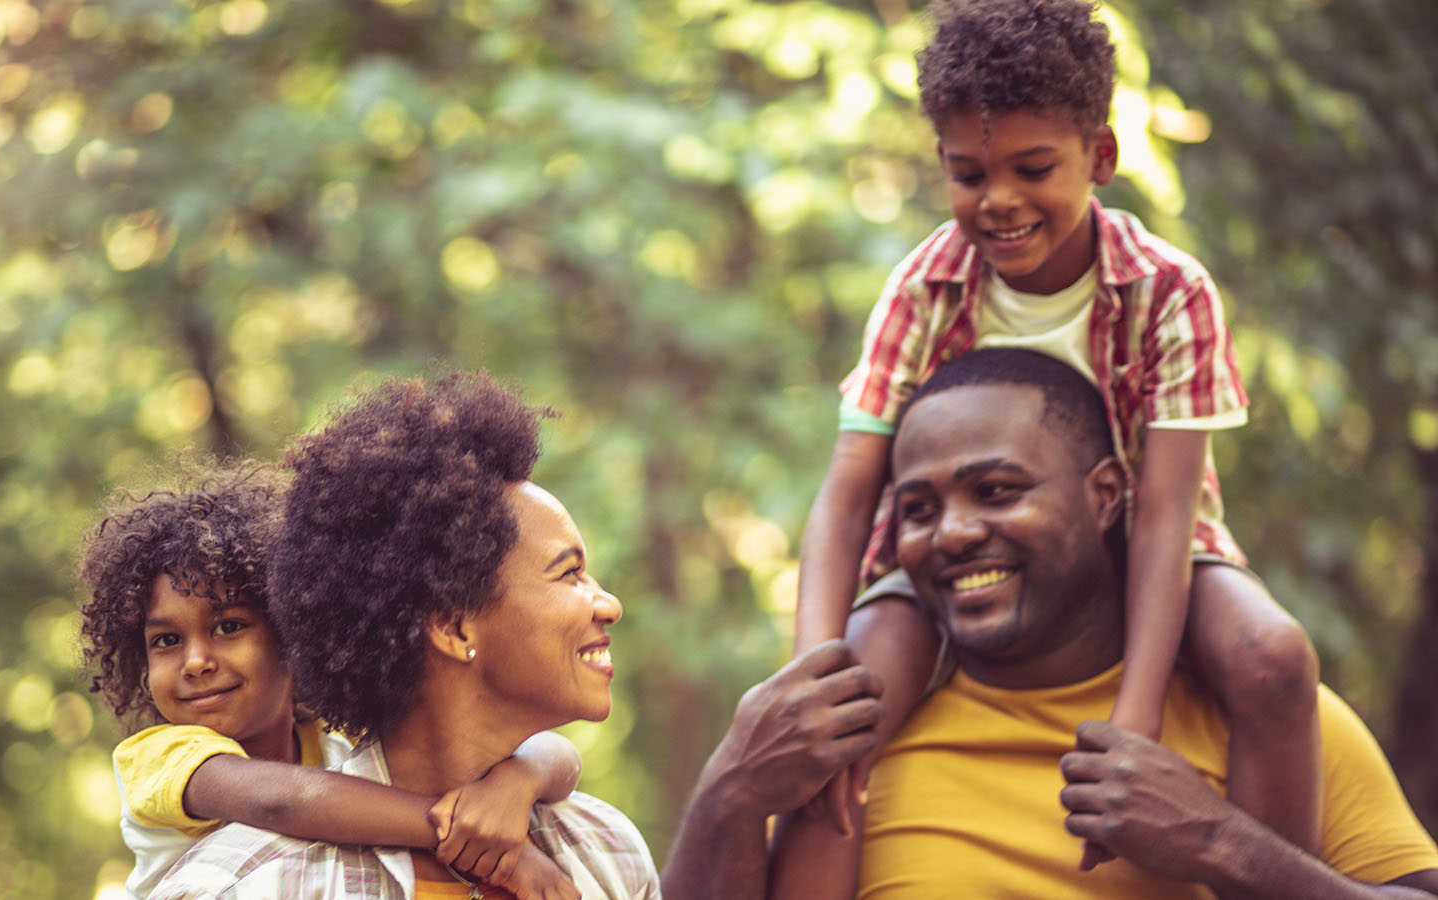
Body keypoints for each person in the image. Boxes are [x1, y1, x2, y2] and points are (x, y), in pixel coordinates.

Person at [796, 0, 1319, 859]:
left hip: (1149, 547)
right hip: (963, 553)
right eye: (969, 175)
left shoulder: (1169, 291)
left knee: (1273, 658)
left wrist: (1135, 722)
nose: (999, 201)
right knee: (837, 719)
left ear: (1100, 156)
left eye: (1033, 168)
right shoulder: (924, 288)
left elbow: (1164, 512)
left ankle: (1270, 876)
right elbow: (848, 493)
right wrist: (808, 681)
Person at [764, 348, 1438, 898]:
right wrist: (726, 795)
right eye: (917, 509)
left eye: (996, 491)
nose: (955, 533)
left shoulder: (1266, 717)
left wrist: (1220, 843)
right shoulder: (854, 760)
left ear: (1107, 496)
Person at [150, 373, 660, 899]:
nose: (609, 604)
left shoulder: (608, 852)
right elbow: (282, 799)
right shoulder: (245, 886)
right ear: (454, 626)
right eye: (568, 573)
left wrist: (519, 780)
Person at [76, 460, 585, 900]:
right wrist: (477, 838)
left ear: (290, 638)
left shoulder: (332, 742)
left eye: (228, 627)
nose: (195, 662)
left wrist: (516, 784)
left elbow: (561, 755)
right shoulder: (157, 759)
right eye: (166, 641)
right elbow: (276, 801)